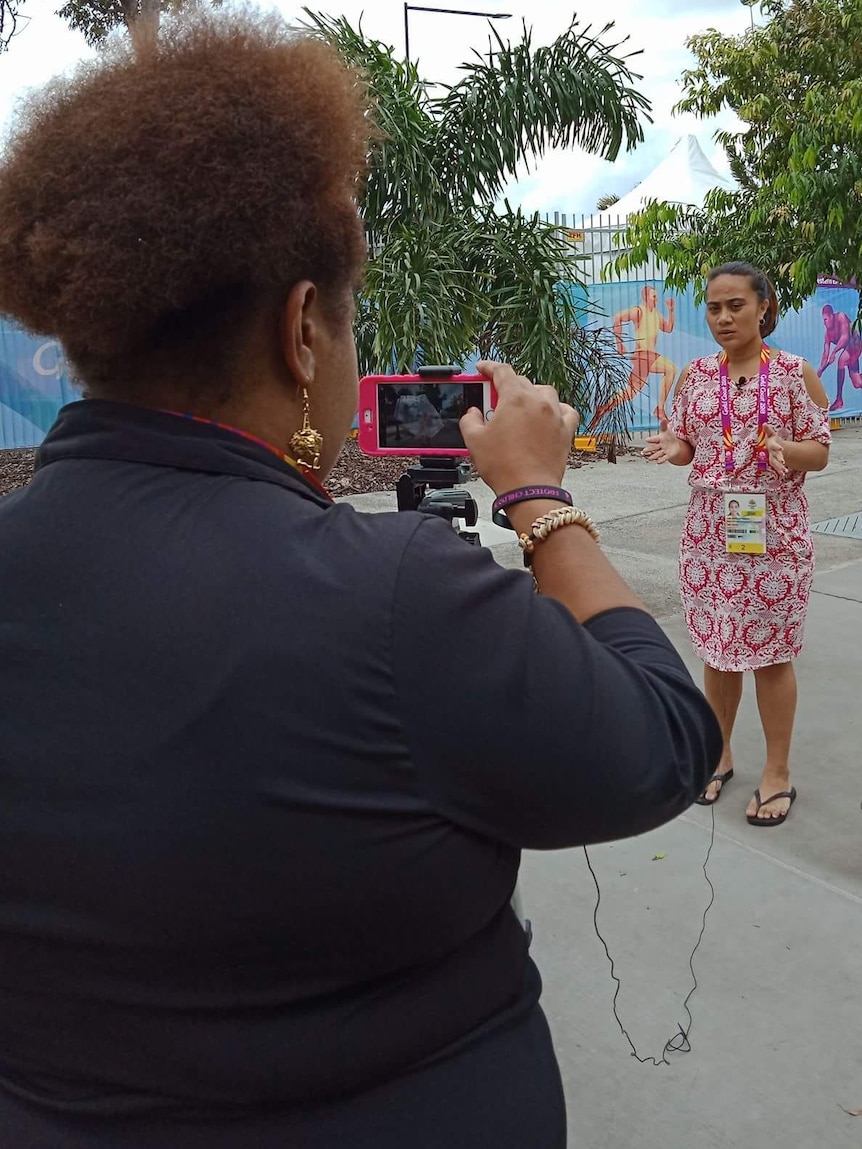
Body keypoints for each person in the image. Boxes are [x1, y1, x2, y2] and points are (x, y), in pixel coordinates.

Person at [0, 15, 721, 1148]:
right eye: (345, 327)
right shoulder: (395, 595)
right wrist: (540, 501)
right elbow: (663, 743)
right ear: (300, 330)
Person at [643, 262, 830, 826]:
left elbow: (819, 449)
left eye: (736, 306)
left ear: (764, 307)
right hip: (708, 535)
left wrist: (787, 452)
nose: (724, 317)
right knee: (719, 651)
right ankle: (718, 754)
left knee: (771, 656)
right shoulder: (696, 376)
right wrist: (673, 449)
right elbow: (686, 442)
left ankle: (777, 773)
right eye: (714, 307)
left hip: (774, 535)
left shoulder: (797, 374)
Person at [587, 285, 678, 430]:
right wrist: (619, 343)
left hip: (648, 356)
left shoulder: (656, 314)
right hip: (643, 355)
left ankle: (603, 408)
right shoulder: (638, 311)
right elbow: (617, 318)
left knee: (630, 392)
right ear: (646, 298)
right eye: (654, 297)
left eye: (656, 297)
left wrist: (671, 311)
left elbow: (668, 328)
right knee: (671, 369)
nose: (656, 300)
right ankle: (660, 409)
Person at [816, 303, 862, 412]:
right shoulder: (827, 334)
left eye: (826, 319)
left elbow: (845, 337)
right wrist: (820, 369)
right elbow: (825, 353)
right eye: (823, 320)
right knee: (857, 383)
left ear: (832, 316)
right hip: (848, 349)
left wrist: (834, 352)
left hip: (855, 343)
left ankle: (839, 399)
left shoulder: (840, 317)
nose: (824, 322)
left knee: (841, 360)